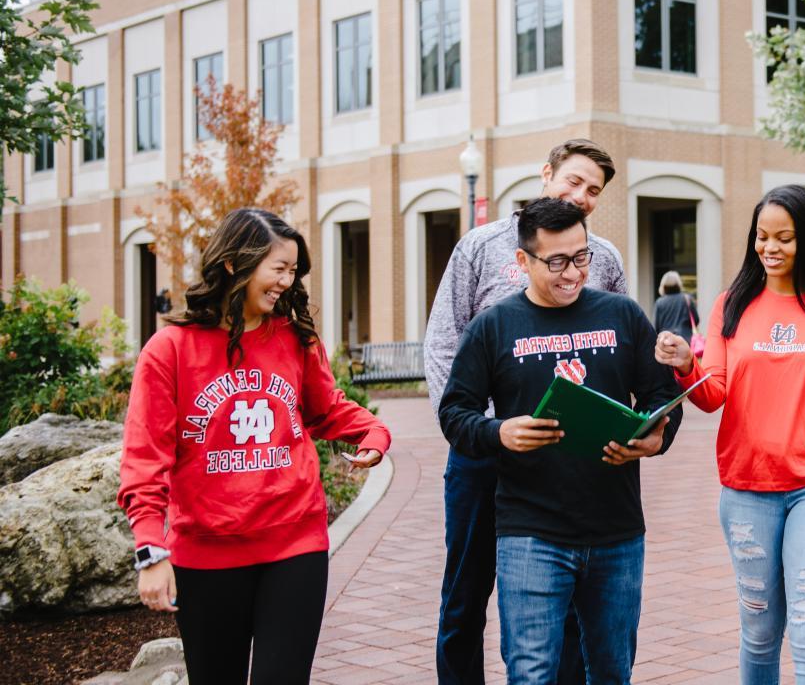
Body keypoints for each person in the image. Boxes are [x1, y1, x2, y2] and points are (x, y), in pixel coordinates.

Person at [118, 208, 391, 684]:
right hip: (206, 554)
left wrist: (373, 433)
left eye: (293, 271)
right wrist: (150, 549)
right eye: (279, 268)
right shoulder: (171, 349)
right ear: (233, 264)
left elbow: (326, 408)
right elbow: (146, 456)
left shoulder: (294, 338)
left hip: (294, 543)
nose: (287, 281)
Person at [438, 198, 682, 684]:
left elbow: (661, 397)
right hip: (530, 532)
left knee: (613, 672)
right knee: (531, 674)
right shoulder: (495, 326)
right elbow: (454, 413)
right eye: (556, 261)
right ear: (522, 261)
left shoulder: (623, 316)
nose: (572, 273)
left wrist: (656, 438)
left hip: (616, 531)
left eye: (581, 257)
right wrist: (498, 432)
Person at [654, 184, 805, 684]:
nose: (770, 248)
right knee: (759, 633)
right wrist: (688, 365)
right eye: (762, 237)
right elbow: (713, 395)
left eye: (785, 238)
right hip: (747, 489)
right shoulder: (731, 305)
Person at [424, 138, 626, 685]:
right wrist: (484, 431)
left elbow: (617, 354)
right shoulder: (480, 246)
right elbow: (444, 342)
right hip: (484, 454)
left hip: (562, 462)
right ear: (546, 174)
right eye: (574, 181)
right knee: (465, 594)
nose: (581, 195)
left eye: (594, 190)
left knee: (557, 603)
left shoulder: (603, 260)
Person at [651, 270, 698, 340]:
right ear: (679, 284)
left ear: (663, 286)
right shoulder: (687, 299)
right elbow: (696, 320)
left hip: (666, 343)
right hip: (685, 341)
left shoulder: (659, 302)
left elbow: (655, 327)